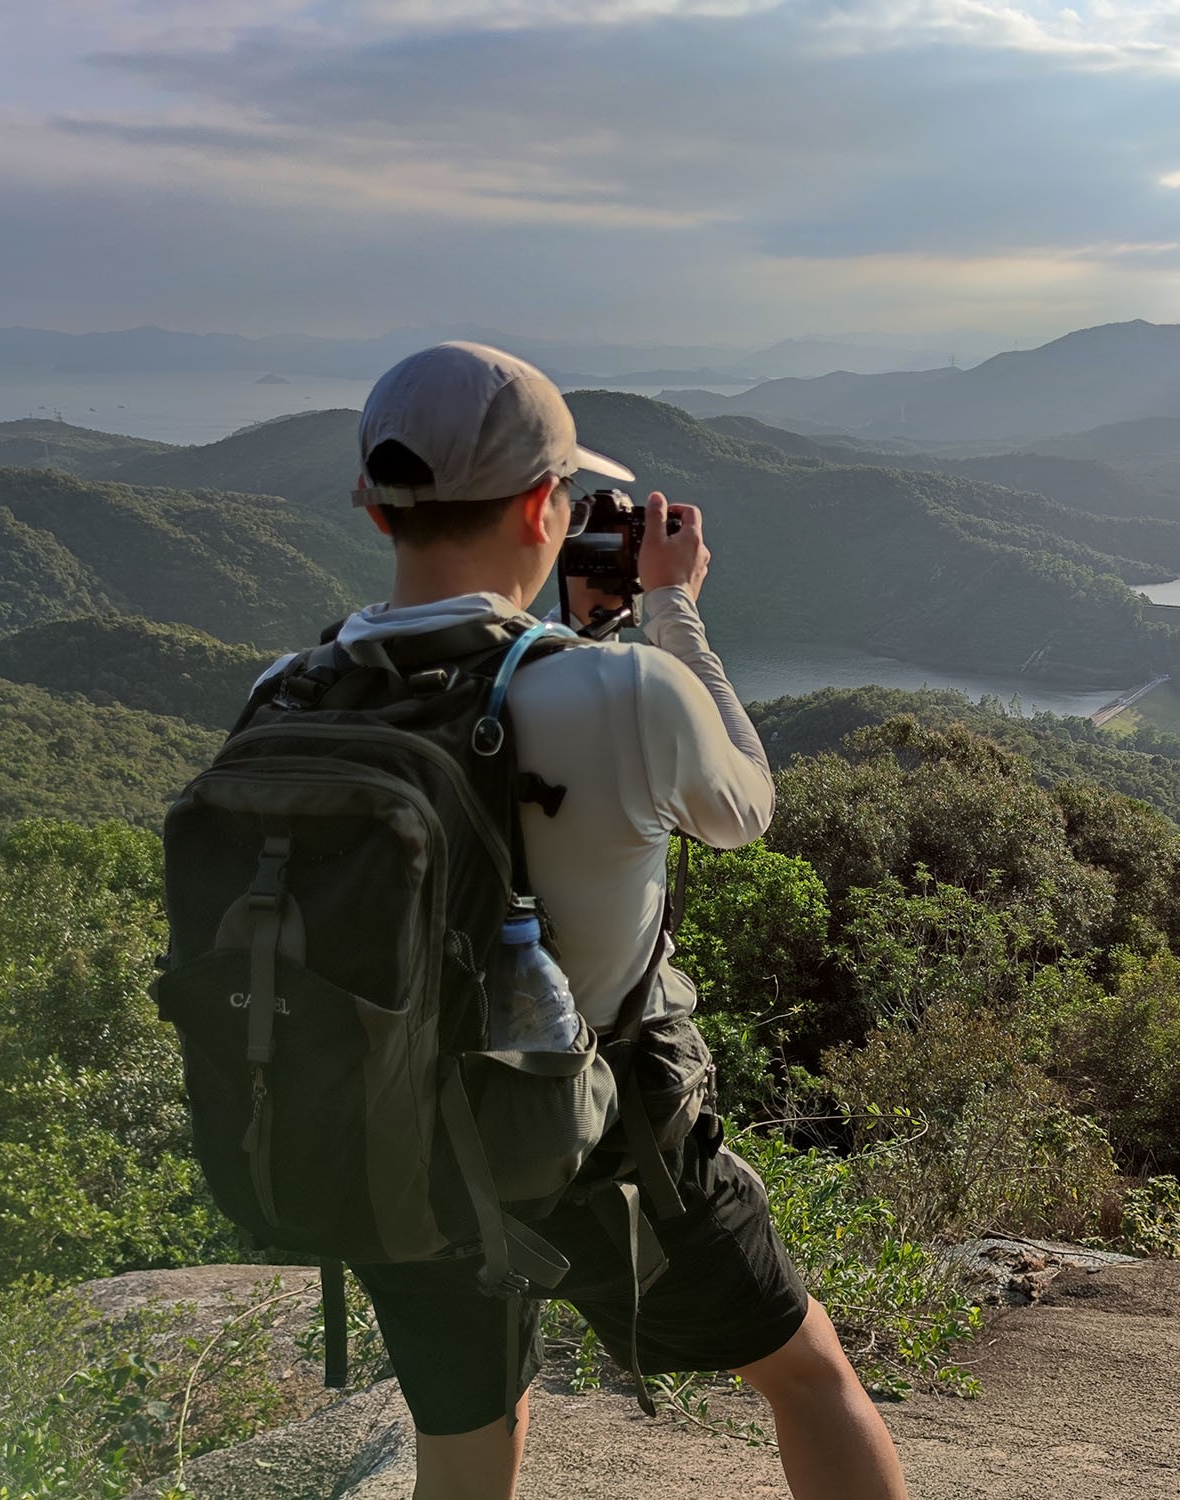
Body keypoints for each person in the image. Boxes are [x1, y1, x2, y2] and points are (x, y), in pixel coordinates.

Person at [326, 341, 909, 1500]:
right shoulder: (622, 690)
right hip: (605, 1153)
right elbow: (743, 809)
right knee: (809, 1380)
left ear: (372, 507)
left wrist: (586, 639)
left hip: (401, 1157)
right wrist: (671, 616)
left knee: (463, 1454)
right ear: (546, 505)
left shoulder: (296, 690)